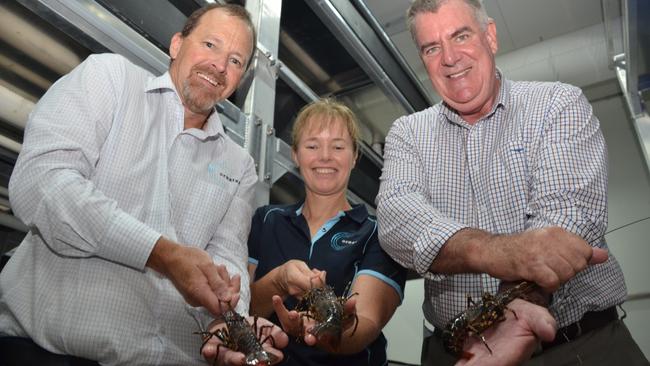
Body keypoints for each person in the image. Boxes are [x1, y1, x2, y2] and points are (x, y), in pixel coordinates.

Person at [0, 4, 287, 366]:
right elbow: (41, 183)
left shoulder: (239, 166)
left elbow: (228, 257)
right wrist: (162, 253)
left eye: (235, 61)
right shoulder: (110, 79)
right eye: (210, 45)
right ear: (176, 44)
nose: (218, 66)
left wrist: (227, 317)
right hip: (48, 354)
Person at [376, 0, 649, 365]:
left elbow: (567, 218)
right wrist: (494, 252)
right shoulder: (407, 133)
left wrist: (519, 310)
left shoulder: (557, 103)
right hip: (459, 353)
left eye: (461, 35)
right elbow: (397, 219)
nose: (449, 57)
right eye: (432, 47)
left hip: (581, 346)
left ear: (490, 36)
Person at [246, 99, 407, 366]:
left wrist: (330, 329)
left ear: (355, 156)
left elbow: (366, 322)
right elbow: (242, 307)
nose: (325, 156)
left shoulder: (378, 233)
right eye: (312, 146)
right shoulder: (266, 220)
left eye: (338, 146)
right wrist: (279, 280)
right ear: (295, 154)